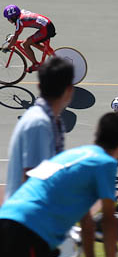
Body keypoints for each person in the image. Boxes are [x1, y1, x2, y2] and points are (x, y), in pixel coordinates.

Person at [0, 113, 118, 257]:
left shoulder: (75, 155)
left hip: (9, 219)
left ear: (96, 135)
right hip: (29, 232)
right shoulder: (105, 162)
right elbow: (109, 220)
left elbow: (87, 223)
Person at [4, 56, 74, 201]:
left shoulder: (51, 120)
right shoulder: (39, 123)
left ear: (39, 86)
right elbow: (32, 177)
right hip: (27, 218)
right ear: (69, 91)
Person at [2, 4, 57, 73]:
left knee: (25, 44)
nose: (8, 20)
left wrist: (8, 47)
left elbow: (16, 37)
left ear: (13, 17)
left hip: (46, 29)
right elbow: (17, 33)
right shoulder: (22, 13)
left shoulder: (20, 21)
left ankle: (36, 64)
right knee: (31, 42)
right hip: (47, 26)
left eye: (8, 18)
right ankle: (49, 52)